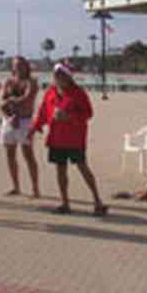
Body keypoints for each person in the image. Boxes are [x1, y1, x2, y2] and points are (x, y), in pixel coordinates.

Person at [30, 62, 106, 216]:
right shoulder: (51, 92)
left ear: (68, 77)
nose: (57, 78)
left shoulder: (78, 93)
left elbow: (88, 113)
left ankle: (98, 201)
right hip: (56, 138)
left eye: (60, 75)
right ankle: (65, 203)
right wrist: (35, 127)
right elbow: (43, 112)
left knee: (83, 168)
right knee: (60, 170)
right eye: (56, 75)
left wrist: (69, 117)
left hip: (74, 138)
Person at [0, 56, 41, 198]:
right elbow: (1, 101)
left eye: (21, 65)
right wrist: (9, 117)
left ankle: (35, 188)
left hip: (25, 121)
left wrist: (11, 101)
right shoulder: (8, 82)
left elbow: (27, 99)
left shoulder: (31, 82)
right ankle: (15, 186)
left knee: (28, 155)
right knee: (10, 154)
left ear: (26, 66)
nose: (18, 68)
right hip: (9, 121)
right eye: (16, 65)